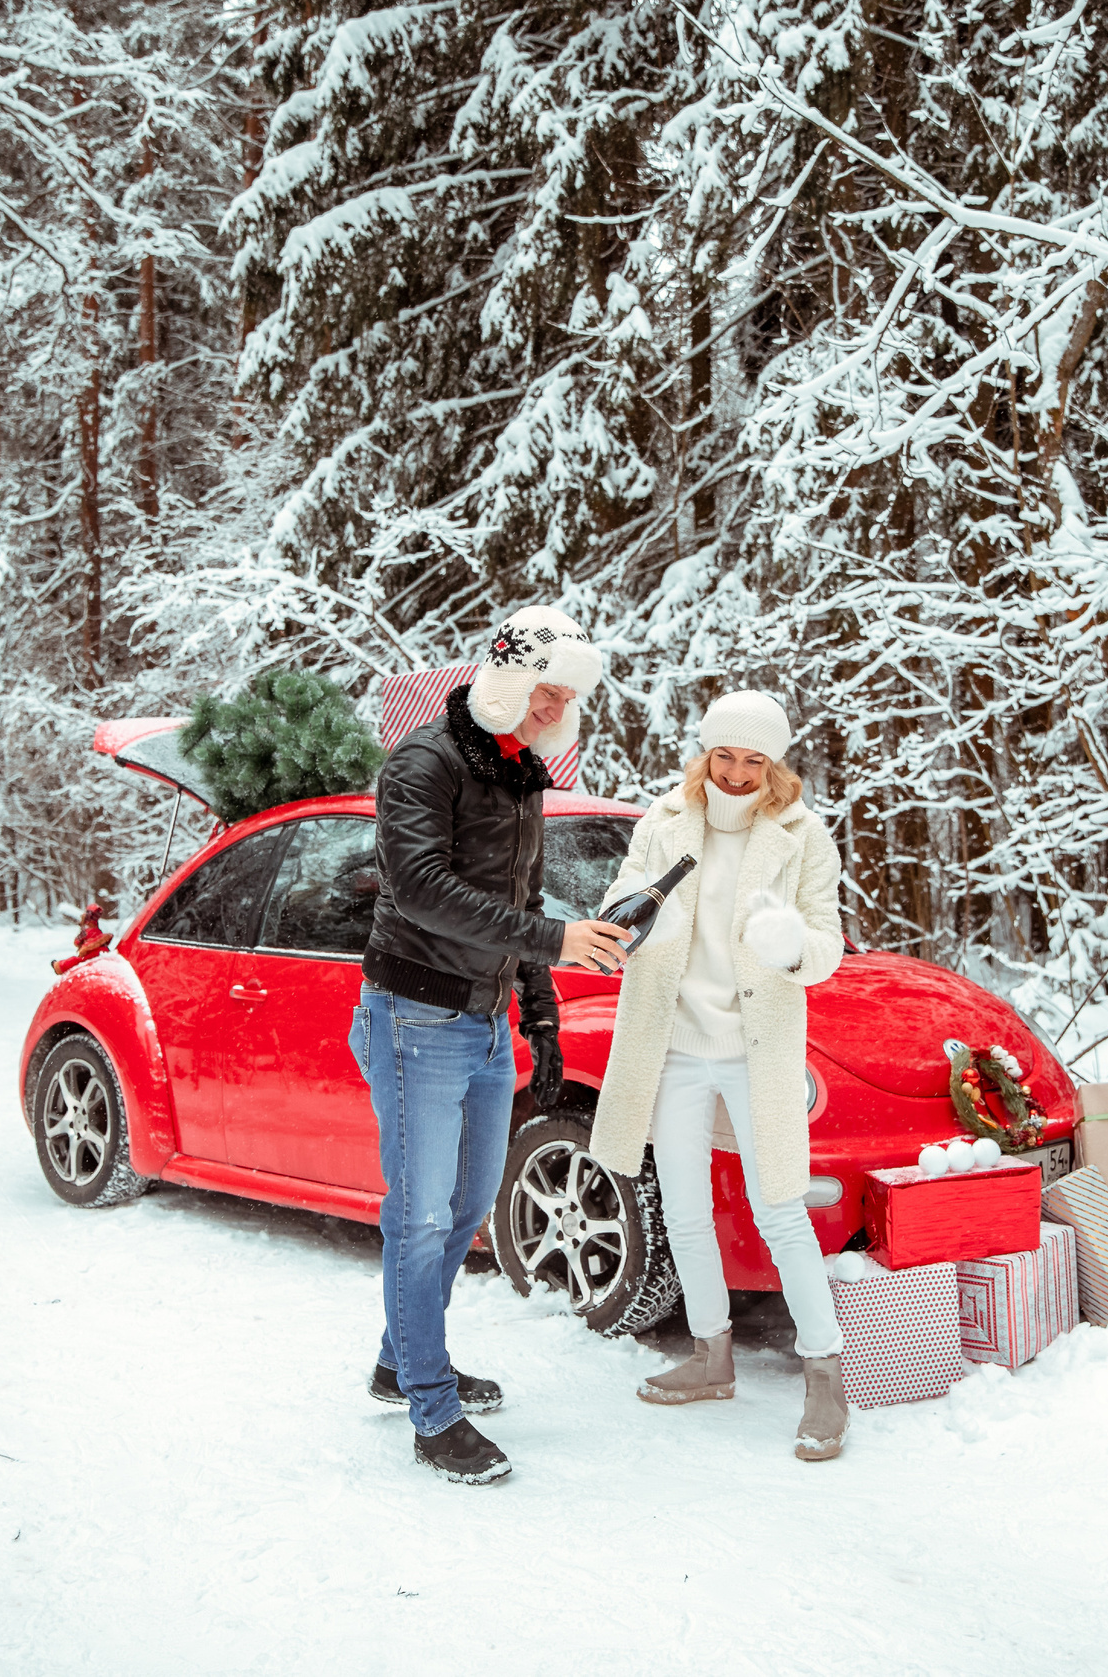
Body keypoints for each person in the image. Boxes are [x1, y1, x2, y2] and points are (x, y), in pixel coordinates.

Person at [354, 607, 631, 1484]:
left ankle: (402, 1359)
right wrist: (552, 943)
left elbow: (525, 889)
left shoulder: (522, 773)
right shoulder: (423, 763)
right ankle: (431, 1408)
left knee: (469, 1206)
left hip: (483, 1019)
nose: (557, 706)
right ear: (509, 678)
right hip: (414, 1016)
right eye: (546, 688)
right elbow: (422, 888)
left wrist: (540, 1012)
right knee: (420, 1213)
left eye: (568, 694)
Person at [588, 691, 851, 1461]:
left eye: (754, 759)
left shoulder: (803, 837)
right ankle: (711, 1354)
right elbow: (616, 908)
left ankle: (825, 1377)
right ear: (704, 756)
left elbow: (828, 945)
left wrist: (789, 942)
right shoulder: (663, 821)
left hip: (754, 1049)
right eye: (725, 756)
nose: (737, 773)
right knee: (685, 1208)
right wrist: (644, 919)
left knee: (781, 1212)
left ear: (775, 766)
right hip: (672, 1046)